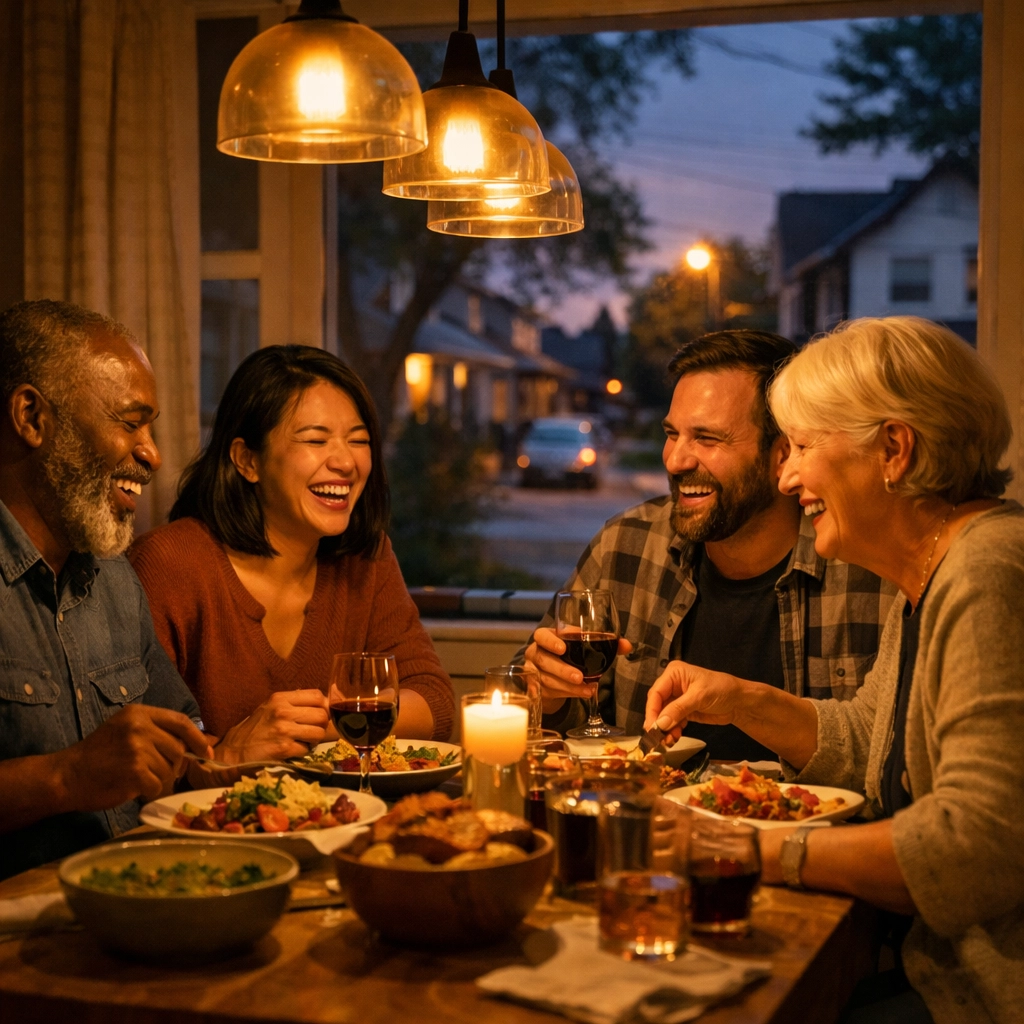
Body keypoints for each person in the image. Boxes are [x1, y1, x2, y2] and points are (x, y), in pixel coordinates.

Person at [647, 316, 1024, 1024]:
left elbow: (974, 847)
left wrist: (757, 851)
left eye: (803, 448)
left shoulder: (987, 571)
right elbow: (868, 736)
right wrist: (741, 701)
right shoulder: (932, 574)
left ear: (894, 449)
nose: (787, 477)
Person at [523, 330, 895, 758]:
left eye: (707, 438)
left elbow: (889, 759)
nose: (675, 460)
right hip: (652, 818)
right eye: (671, 434)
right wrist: (547, 695)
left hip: (806, 820)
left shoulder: (866, 565)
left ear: (783, 454)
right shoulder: (626, 544)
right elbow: (533, 699)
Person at [129, 345, 454, 768]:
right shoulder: (170, 563)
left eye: (359, 440)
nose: (345, 462)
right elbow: (138, 748)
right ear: (247, 460)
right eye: (316, 440)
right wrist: (230, 750)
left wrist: (319, 723)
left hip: (341, 818)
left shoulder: (366, 558)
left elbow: (434, 699)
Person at [0, 299, 211, 880]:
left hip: (137, 898)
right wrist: (67, 777)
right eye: (129, 422)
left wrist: (225, 751)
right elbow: (86, 771)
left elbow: (183, 732)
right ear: (31, 417)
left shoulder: (114, 576)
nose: (153, 453)